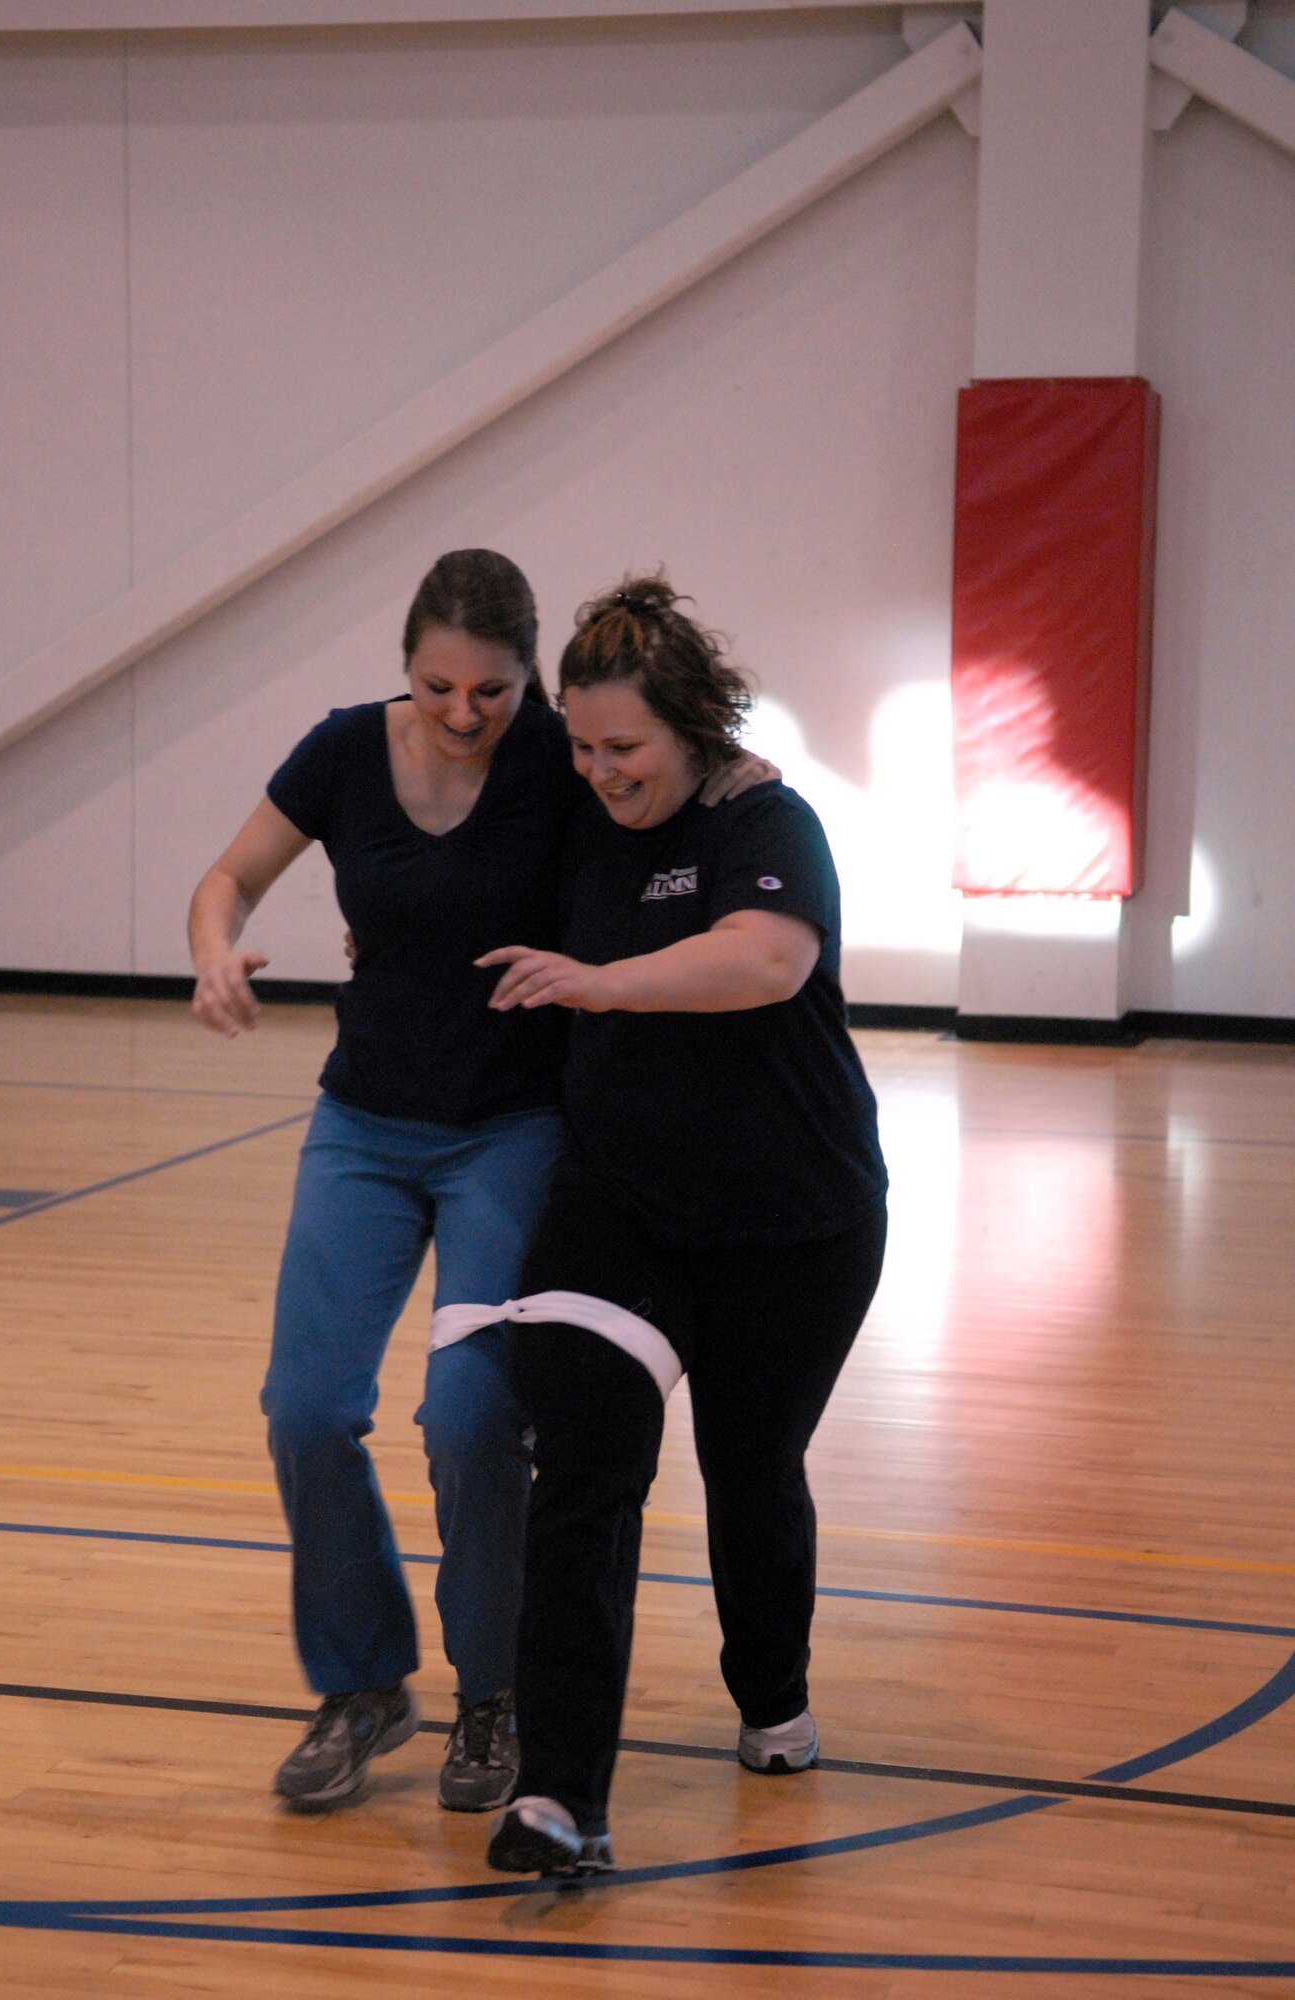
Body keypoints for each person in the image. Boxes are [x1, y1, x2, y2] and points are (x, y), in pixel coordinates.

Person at [187, 550, 774, 1817]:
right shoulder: (342, 752)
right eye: (438, 685)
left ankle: (494, 1692)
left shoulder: (559, 757)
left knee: (468, 1417)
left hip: (510, 1128)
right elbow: (227, 876)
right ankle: (361, 1686)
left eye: (493, 692)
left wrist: (739, 782)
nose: (464, 713)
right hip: (363, 1125)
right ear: (405, 667)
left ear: (527, 681)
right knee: (303, 1405)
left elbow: (661, 783)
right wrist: (213, 949)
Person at [461, 575, 888, 1876]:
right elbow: (437, 754)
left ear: (690, 723)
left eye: (623, 748)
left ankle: (770, 1701)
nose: (598, 772)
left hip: (791, 1214)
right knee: (582, 1472)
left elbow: (764, 960)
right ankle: (557, 1800)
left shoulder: (766, 816)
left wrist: (600, 983)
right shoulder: (574, 815)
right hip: (621, 1205)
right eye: (580, 746)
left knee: (749, 1474)